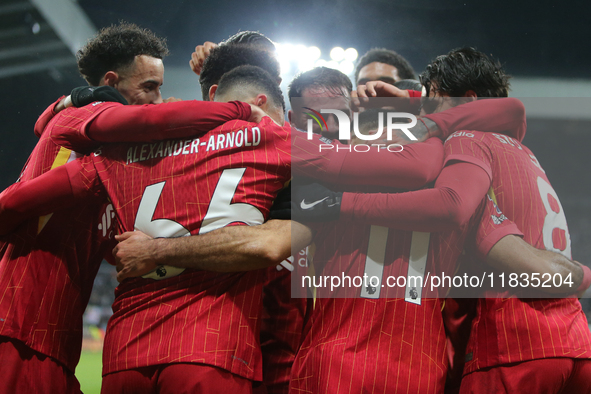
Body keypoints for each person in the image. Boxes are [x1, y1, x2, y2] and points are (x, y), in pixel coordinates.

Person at [0, 21, 269, 394]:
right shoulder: (85, 120)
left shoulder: (112, 168)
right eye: (149, 87)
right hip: (16, 328)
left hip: (54, 343)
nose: (158, 99)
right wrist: (238, 110)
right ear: (111, 83)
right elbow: (154, 122)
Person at [309, 47, 591, 393]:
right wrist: (579, 274)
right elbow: (508, 111)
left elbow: (451, 206)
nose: (425, 110)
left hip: (515, 342)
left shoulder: (465, 142)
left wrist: (338, 203)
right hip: (572, 335)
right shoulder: (521, 149)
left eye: (433, 99)